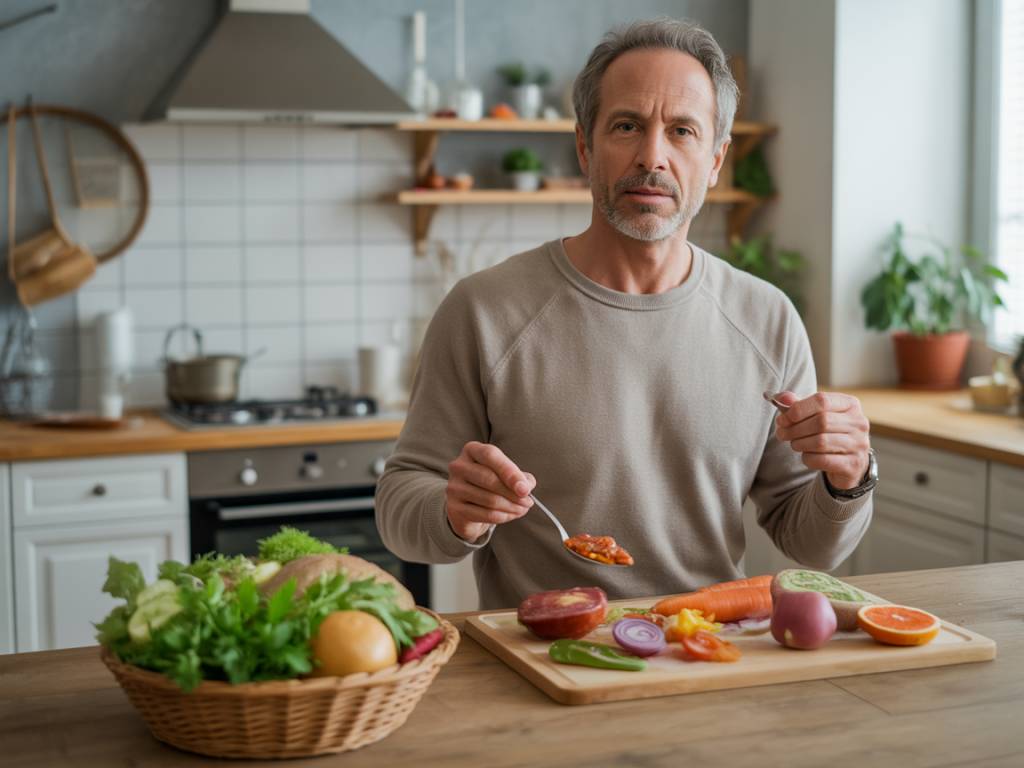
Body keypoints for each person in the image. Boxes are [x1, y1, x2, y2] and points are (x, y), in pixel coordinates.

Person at [376, 18, 875, 610]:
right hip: (543, 665)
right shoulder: (483, 310)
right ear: (586, 149)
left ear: (716, 160)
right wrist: (453, 513)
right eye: (627, 126)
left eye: (683, 131)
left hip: (706, 657)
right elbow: (399, 507)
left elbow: (810, 541)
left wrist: (849, 480)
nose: (652, 156)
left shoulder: (767, 318)